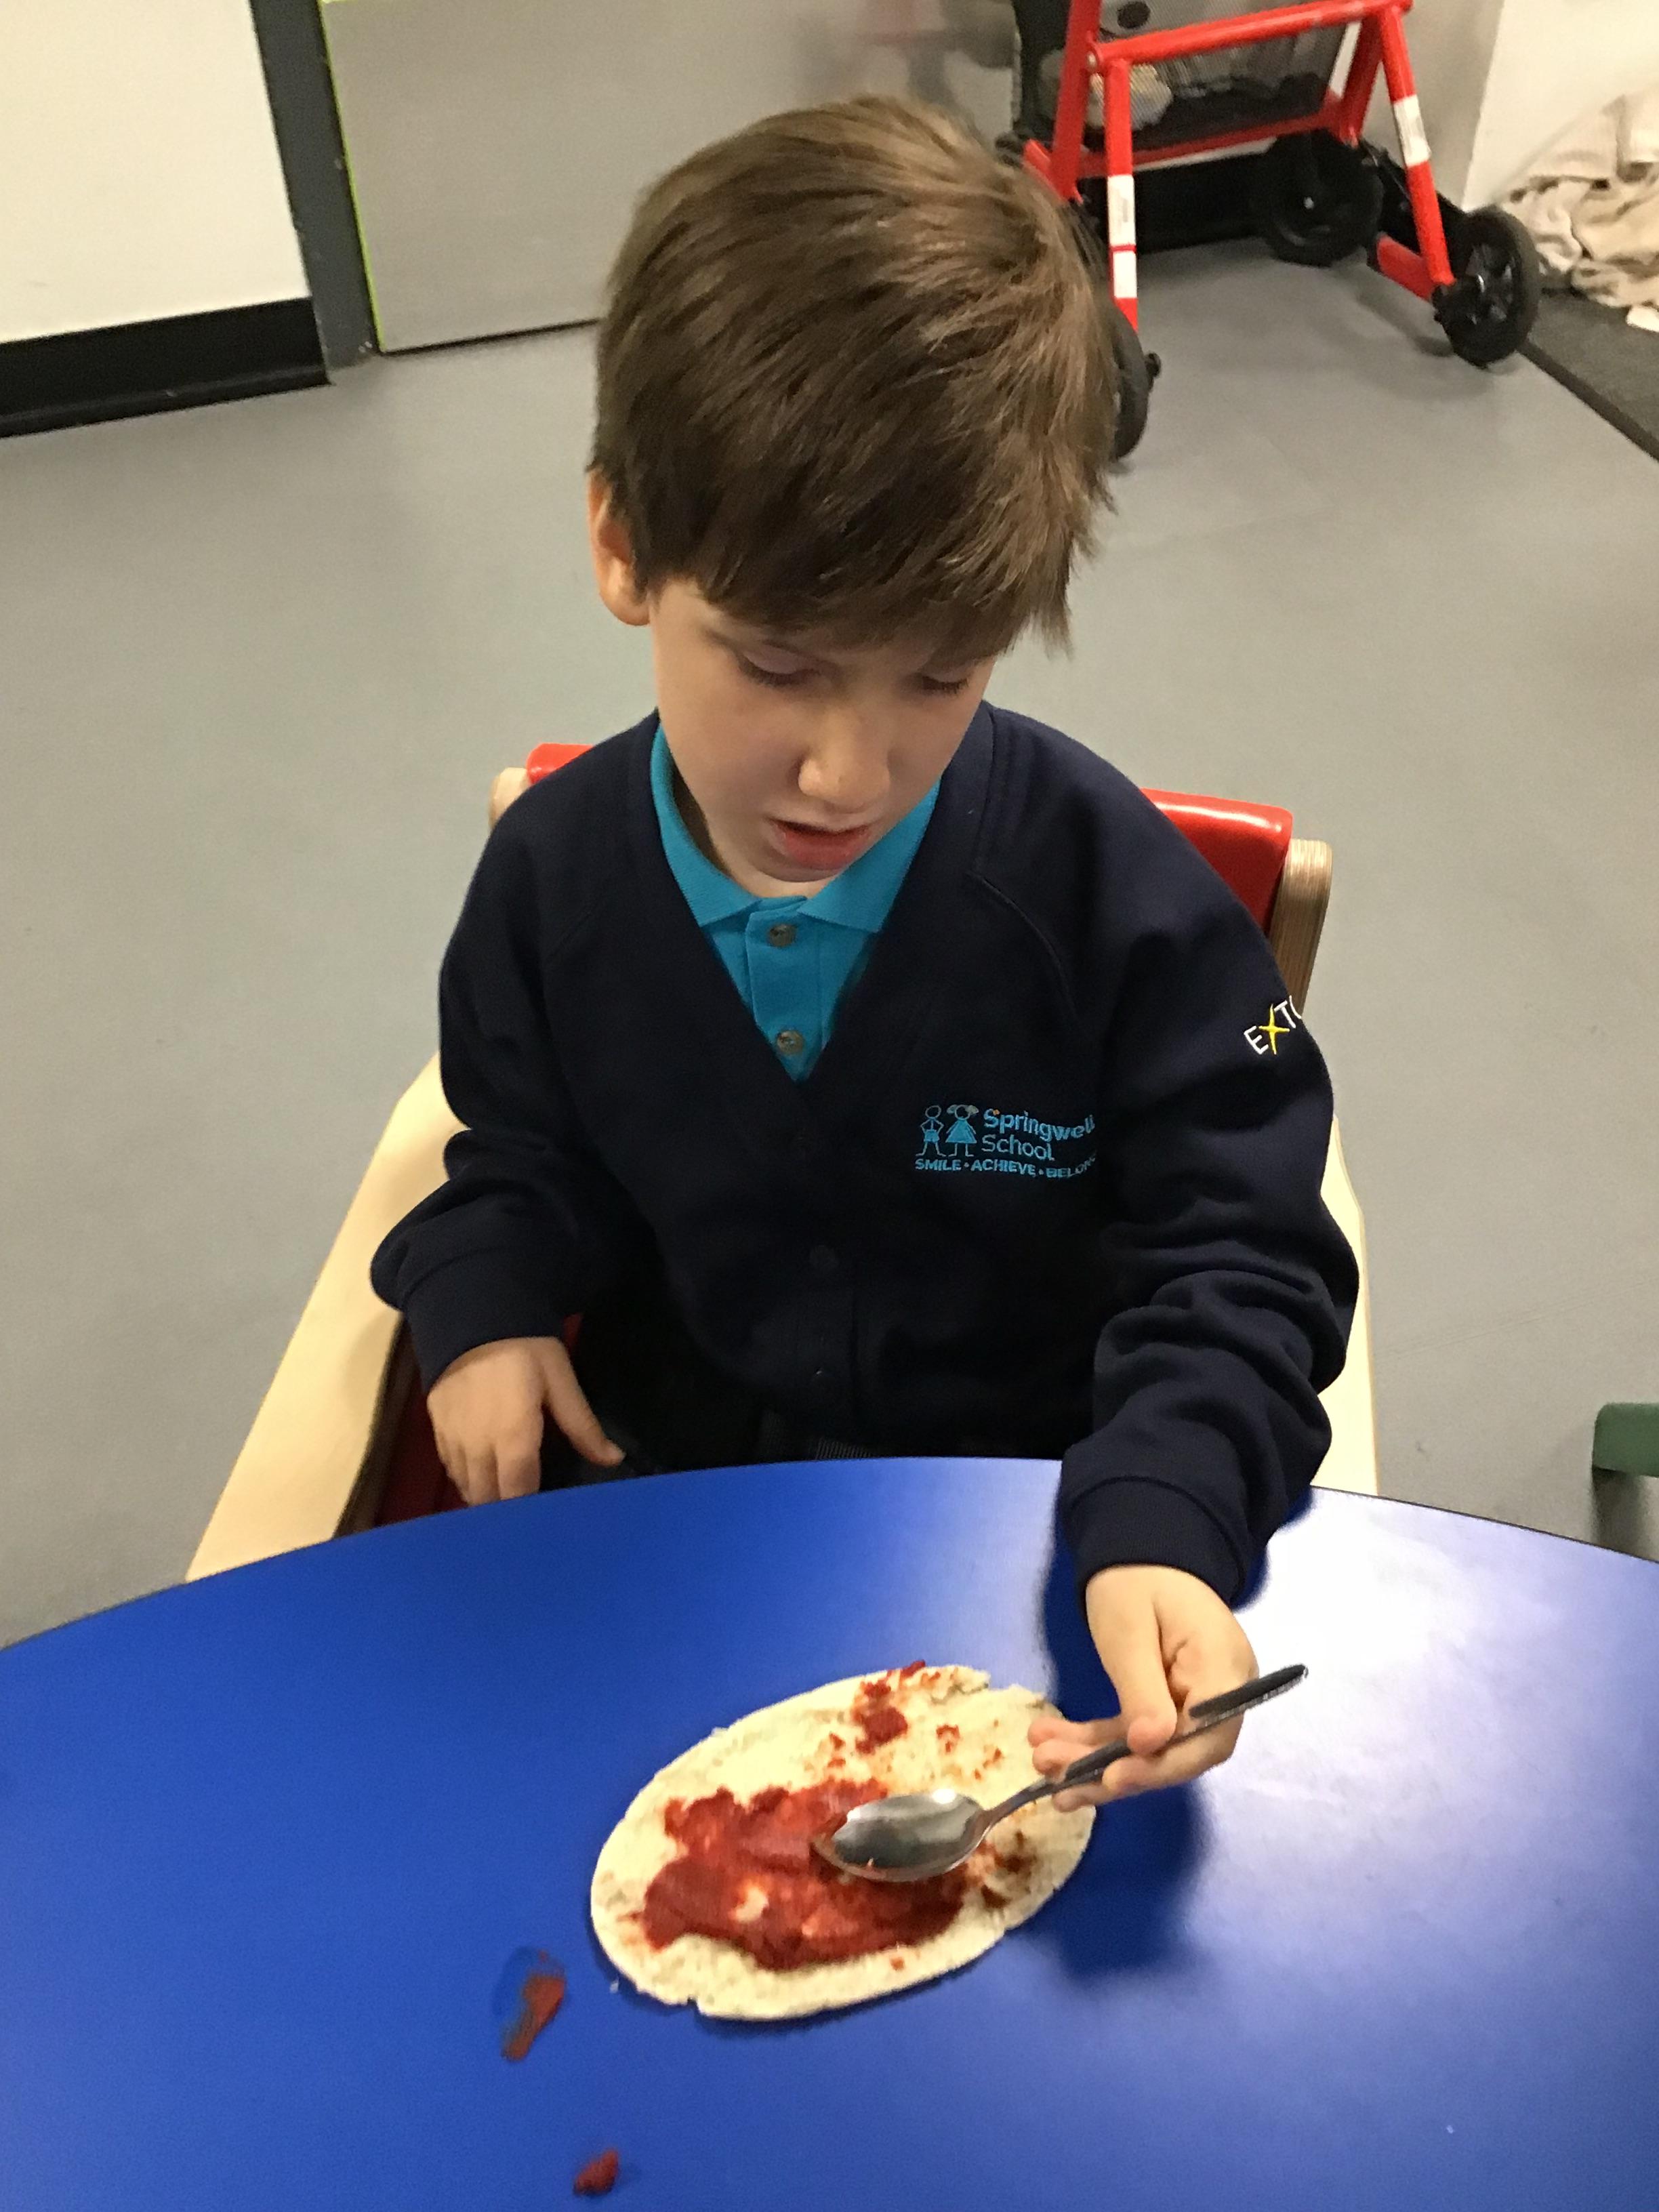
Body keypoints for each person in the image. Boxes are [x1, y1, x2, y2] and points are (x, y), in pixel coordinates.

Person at [371, 96, 1356, 1811]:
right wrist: (487, 1305)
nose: (846, 774)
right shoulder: (550, 886)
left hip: (1040, 1558)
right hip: (676, 1546)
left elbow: (1246, 1247)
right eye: (775, 665)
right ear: (621, 547)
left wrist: (1169, 1508)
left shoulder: (1112, 898)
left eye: (941, 676)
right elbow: (518, 1151)